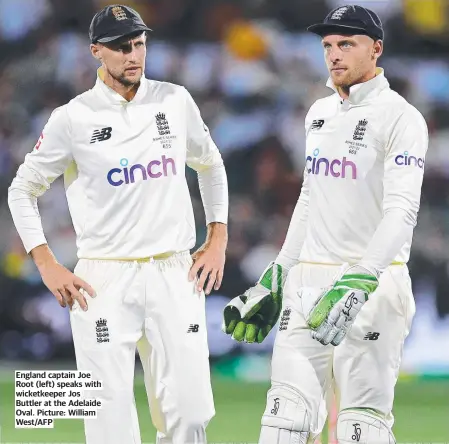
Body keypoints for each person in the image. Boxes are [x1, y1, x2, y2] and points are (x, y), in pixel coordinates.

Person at [8, 5, 228, 444]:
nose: (133, 55)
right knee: (110, 423)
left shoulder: (174, 100)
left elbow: (210, 163)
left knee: (191, 411)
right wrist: (47, 263)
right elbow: (21, 189)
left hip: (173, 270)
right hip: (104, 278)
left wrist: (217, 234)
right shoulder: (73, 118)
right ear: (96, 52)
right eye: (121, 47)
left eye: (139, 43)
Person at [223, 5, 428, 443]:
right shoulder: (318, 112)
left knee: (361, 427)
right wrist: (280, 269)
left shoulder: (401, 118)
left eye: (347, 44)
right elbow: (311, 195)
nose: (334, 55)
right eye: (328, 45)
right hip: (309, 282)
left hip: (372, 285)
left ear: (376, 49)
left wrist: (361, 278)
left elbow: (402, 212)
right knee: (284, 421)